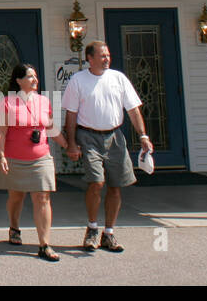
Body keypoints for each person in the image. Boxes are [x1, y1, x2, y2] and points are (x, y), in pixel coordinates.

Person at [62, 40, 154, 253]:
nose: (106, 59)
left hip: (114, 136)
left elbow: (133, 109)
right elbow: (71, 114)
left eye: (108, 55)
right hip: (88, 136)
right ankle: (92, 228)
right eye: (102, 55)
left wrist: (143, 136)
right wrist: (72, 143)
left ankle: (109, 233)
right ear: (90, 59)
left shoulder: (118, 78)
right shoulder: (78, 80)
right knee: (96, 182)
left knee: (116, 185)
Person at [0, 63, 68, 261]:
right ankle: (14, 227)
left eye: (35, 76)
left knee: (42, 197)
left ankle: (44, 244)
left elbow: (51, 129)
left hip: (41, 157)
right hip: (15, 158)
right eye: (30, 77)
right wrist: (1, 156)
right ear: (18, 80)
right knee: (16, 197)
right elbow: (1, 131)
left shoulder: (44, 101)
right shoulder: (7, 103)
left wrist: (68, 146)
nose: (35, 80)